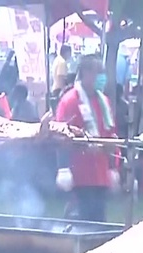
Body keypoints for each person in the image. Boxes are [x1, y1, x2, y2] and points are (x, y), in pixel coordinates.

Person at [54, 55, 119, 223]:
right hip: (80, 174)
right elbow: (60, 136)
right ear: (85, 73)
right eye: (99, 73)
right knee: (81, 221)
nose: (102, 77)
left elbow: (110, 132)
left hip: (101, 173)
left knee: (99, 221)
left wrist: (114, 164)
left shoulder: (104, 101)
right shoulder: (69, 101)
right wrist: (63, 168)